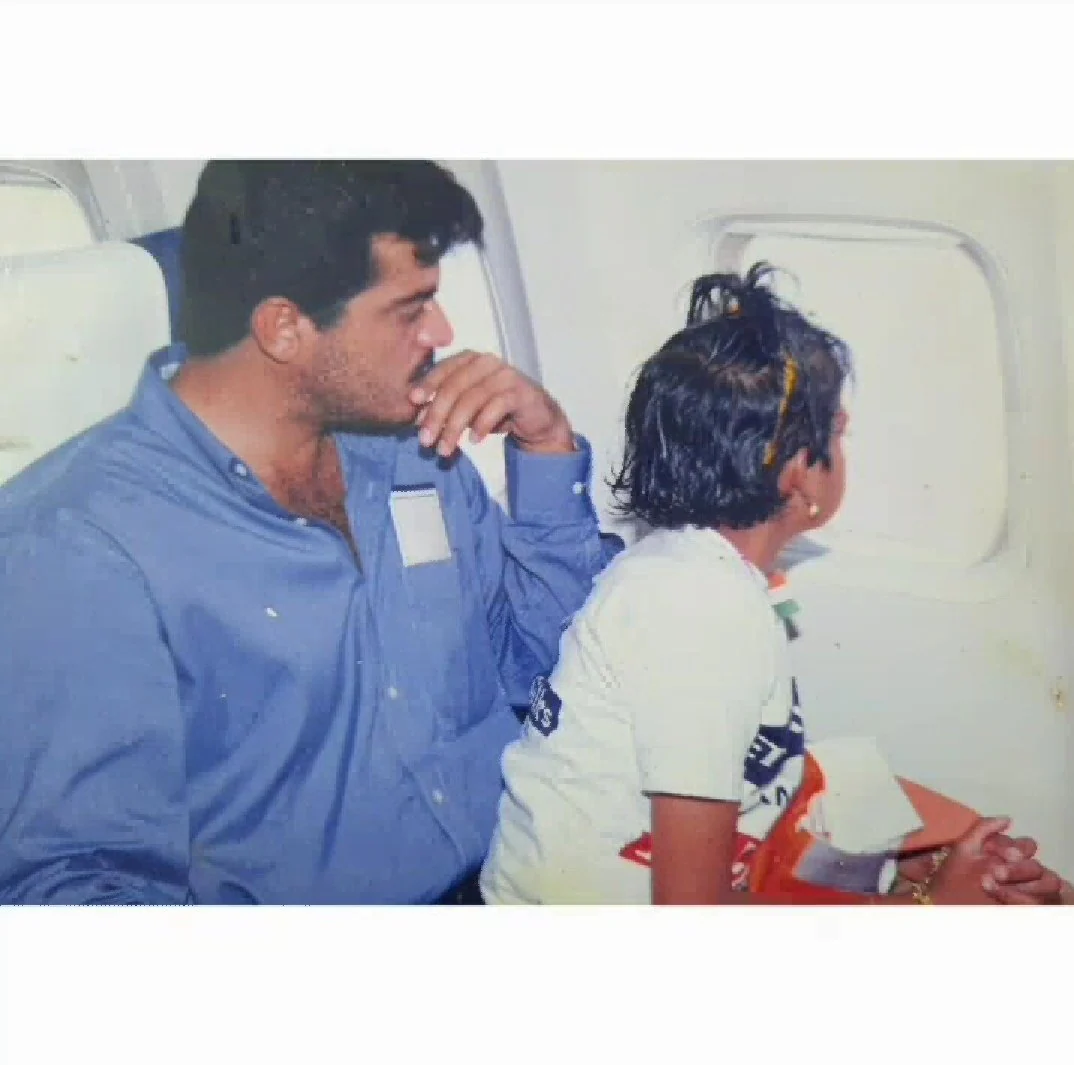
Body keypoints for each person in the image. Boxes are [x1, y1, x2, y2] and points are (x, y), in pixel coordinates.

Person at [0, 160, 622, 904]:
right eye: (411, 309)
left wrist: (546, 448)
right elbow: (78, 884)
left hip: (525, 871)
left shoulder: (417, 452)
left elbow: (551, 675)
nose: (443, 334)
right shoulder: (78, 546)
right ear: (284, 328)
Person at [480, 264, 1066, 905]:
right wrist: (927, 910)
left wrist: (943, 850)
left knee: (884, 798)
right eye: (837, 432)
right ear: (799, 473)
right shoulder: (699, 615)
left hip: (700, 856)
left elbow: (767, 770)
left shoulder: (702, 574)